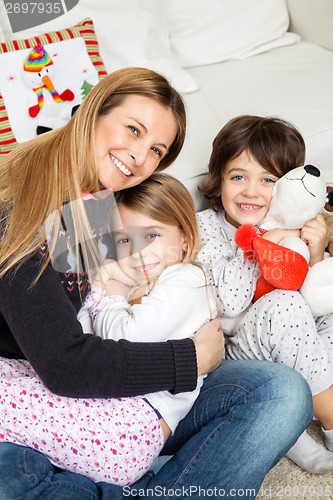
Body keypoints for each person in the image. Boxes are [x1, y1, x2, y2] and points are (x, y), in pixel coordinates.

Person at [0, 69, 311, 500]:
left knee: (280, 391)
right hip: (33, 402)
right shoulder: (17, 206)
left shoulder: (99, 198)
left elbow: (105, 296)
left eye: (156, 150)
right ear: (92, 112)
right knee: (15, 474)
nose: (138, 158)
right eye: (132, 130)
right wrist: (191, 358)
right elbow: (65, 364)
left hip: (116, 405)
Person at [0, 173, 218, 485]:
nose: (138, 252)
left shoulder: (188, 278)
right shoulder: (133, 280)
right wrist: (104, 287)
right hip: (103, 408)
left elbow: (122, 339)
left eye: (151, 235)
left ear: (184, 237)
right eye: (125, 240)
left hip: (131, 427)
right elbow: (82, 339)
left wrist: (109, 293)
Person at [196, 114, 333, 475]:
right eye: (238, 177)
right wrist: (262, 242)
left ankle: (289, 422)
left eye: (268, 180)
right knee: (284, 305)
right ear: (219, 179)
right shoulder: (203, 229)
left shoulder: (294, 223)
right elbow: (229, 300)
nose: (251, 191)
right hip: (238, 355)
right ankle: (328, 414)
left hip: (298, 344)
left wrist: (316, 253)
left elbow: (317, 306)